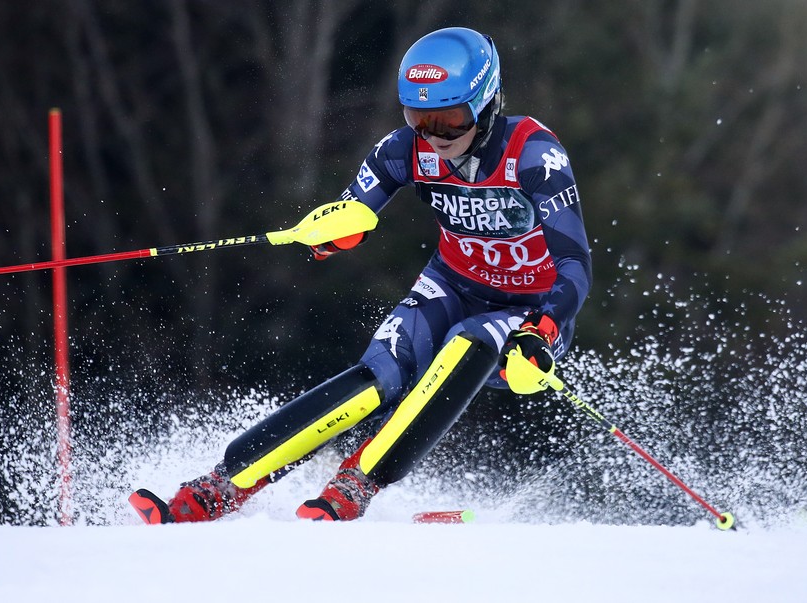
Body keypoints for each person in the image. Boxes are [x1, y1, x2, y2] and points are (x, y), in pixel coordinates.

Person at [129, 26, 591, 524]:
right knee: (381, 375)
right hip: (452, 285)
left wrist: (543, 328)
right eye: (420, 120)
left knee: (470, 342)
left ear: (487, 102)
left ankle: (356, 483)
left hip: (530, 311)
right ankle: (220, 486)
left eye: (450, 121)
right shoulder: (403, 149)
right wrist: (333, 232)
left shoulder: (534, 154)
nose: (435, 137)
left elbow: (575, 262)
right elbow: (353, 209)